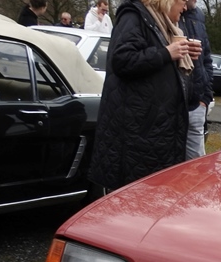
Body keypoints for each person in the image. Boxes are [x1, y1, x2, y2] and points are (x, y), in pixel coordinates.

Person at [88, 0, 197, 192]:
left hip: (156, 133)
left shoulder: (163, 24)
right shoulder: (134, 17)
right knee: (135, 197)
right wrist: (166, 53)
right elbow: (122, 60)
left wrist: (184, 55)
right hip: (137, 135)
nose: (186, 7)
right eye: (183, 1)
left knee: (154, 196)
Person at [179, 0, 213, 160]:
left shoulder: (198, 16)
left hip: (197, 105)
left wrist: (205, 98)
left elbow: (207, 59)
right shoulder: (164, 13)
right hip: (173, 106)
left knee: (196, 167)